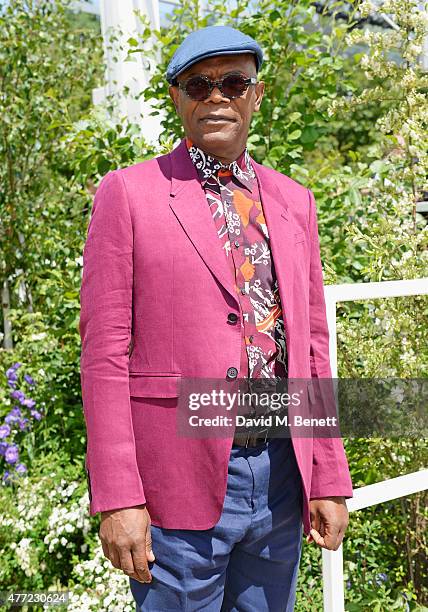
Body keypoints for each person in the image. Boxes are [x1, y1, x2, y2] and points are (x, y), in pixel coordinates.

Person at [79, 24, 353, 611]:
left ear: (256, 95)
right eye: (199, 84)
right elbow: (103, 357)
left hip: (282, 471)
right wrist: (118, 497)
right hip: (179, 479)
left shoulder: (293, 201)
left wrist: (327, 476)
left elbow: (311, 348)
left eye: (234, 82)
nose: (217, 97)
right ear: (177, 96)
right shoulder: (127, 194)